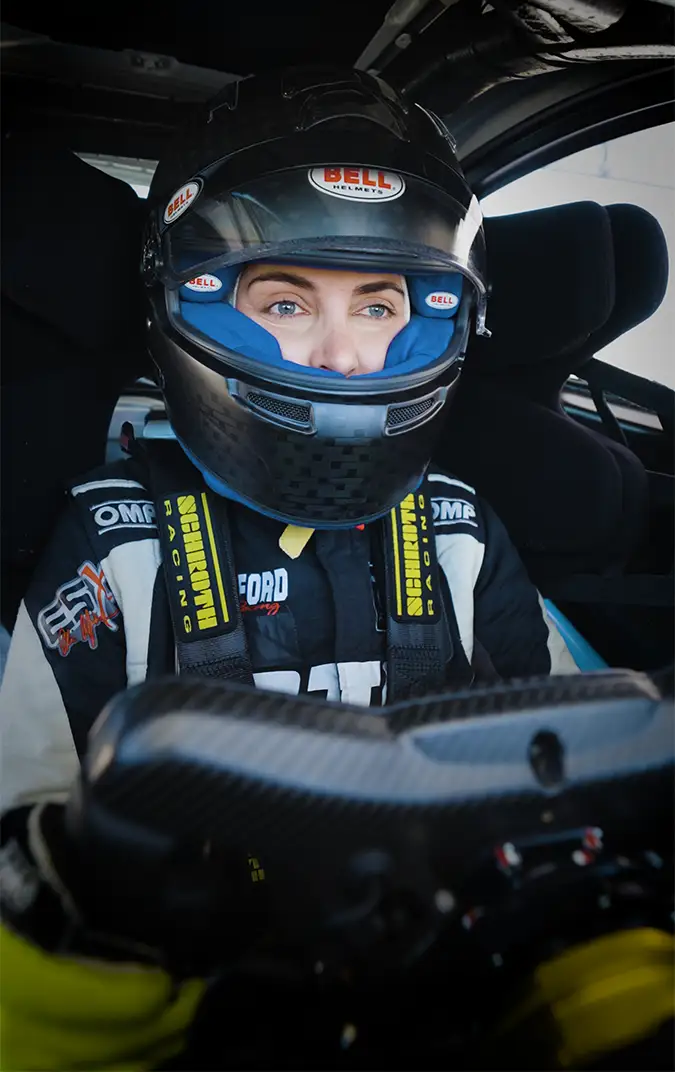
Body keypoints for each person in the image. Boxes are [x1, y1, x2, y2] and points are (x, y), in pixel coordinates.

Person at [0, 67, 578, 1071]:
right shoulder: (117, 545)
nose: (343, 356)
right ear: (190, 303)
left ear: (439, 312)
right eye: (283, 301)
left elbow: (571, 780)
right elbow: (24, 853)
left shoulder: (460, 534)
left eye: (379, 304)